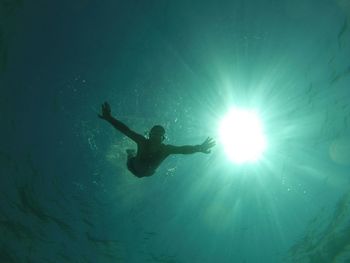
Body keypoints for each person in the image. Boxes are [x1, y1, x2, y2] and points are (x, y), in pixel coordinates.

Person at [98, 102, 215, 178]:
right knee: (131, 156)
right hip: (132, 166)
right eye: (155, 133)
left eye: (160, 134)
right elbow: (125, 130)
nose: (157, 136)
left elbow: (183, 149)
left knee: (148, 171)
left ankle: (131, 153)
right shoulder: (142, 141)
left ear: (163, 138)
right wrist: (109, 118)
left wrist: (200, 148)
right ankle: (130, 153)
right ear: (150, 135)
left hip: (148, 173)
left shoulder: (166, 149)